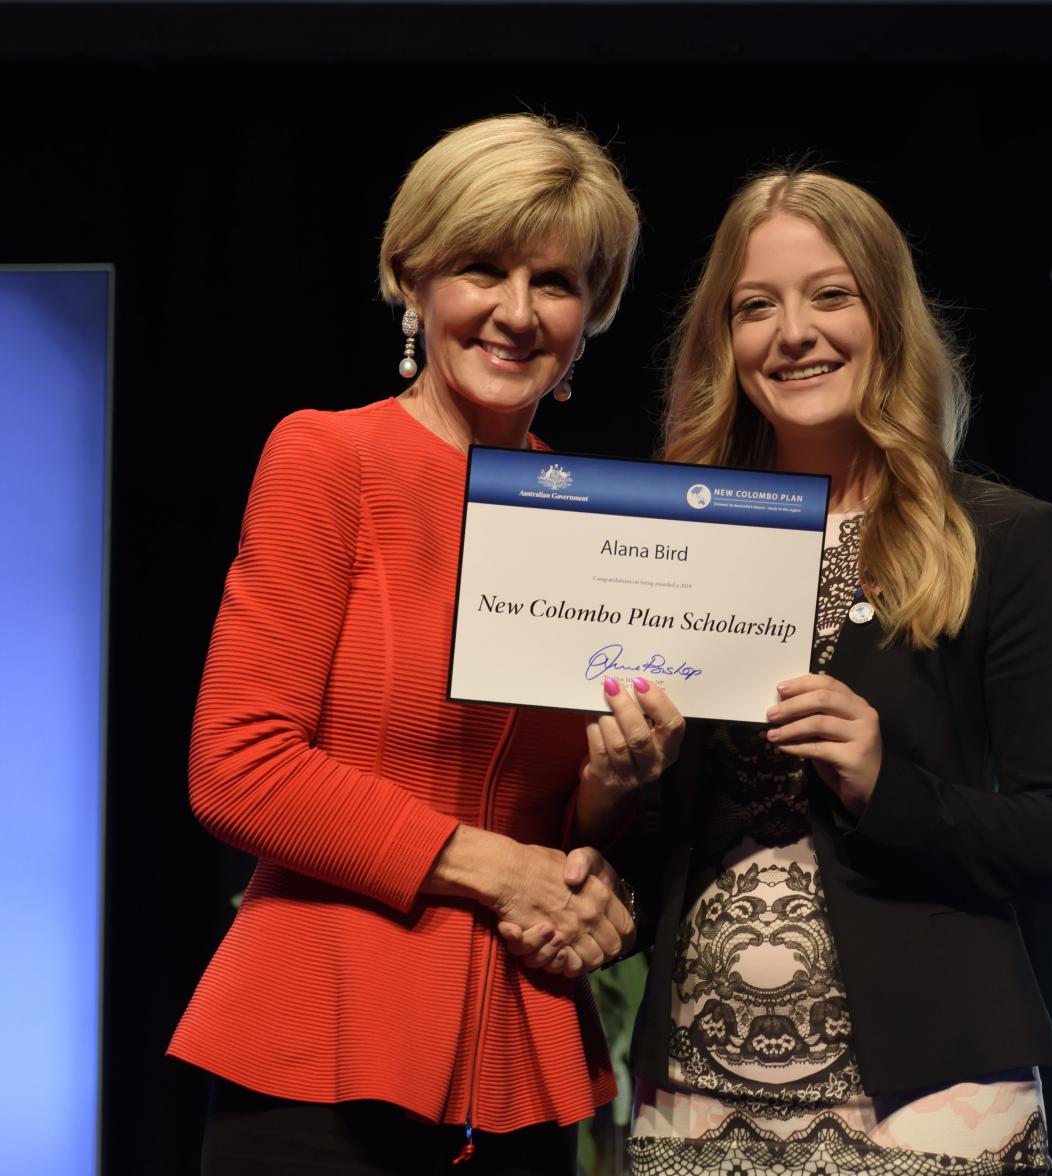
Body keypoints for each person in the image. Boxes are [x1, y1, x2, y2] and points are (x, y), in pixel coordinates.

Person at [167, 113, 683, 1176]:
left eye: (555, 281)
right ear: (413, 280)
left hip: (522, 1051)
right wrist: (501, 872)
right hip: (319, 1039)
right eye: (481, 268)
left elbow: (558, 818)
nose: (515, 311)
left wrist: (612, 791)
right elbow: (237, 766)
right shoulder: (326, 457)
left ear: (592, 317)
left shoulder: (598, 521)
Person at [619, 169, 1052, 1174]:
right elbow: (656, 852)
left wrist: (890, 787)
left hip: (926, 1113)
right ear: (725, 341)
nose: (792, 332)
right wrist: (621, 780)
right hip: (695, 1115)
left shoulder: (1002, 539)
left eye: (830, 294)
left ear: (888, 317)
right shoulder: (673, 544)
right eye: (755, 306)